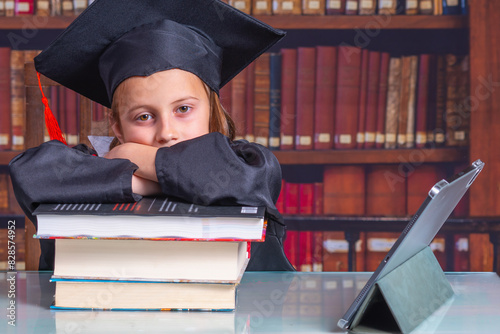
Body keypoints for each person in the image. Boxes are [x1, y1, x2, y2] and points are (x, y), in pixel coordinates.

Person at [9, 0, 295, 271]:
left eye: (183, 109)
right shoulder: (96, 162)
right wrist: (153, 180)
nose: (167, 133)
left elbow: (244, 180)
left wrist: (141, 160)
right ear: (118, 127)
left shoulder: (249, 164)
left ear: (211, 110)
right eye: (144, 117)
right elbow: (31, 175)